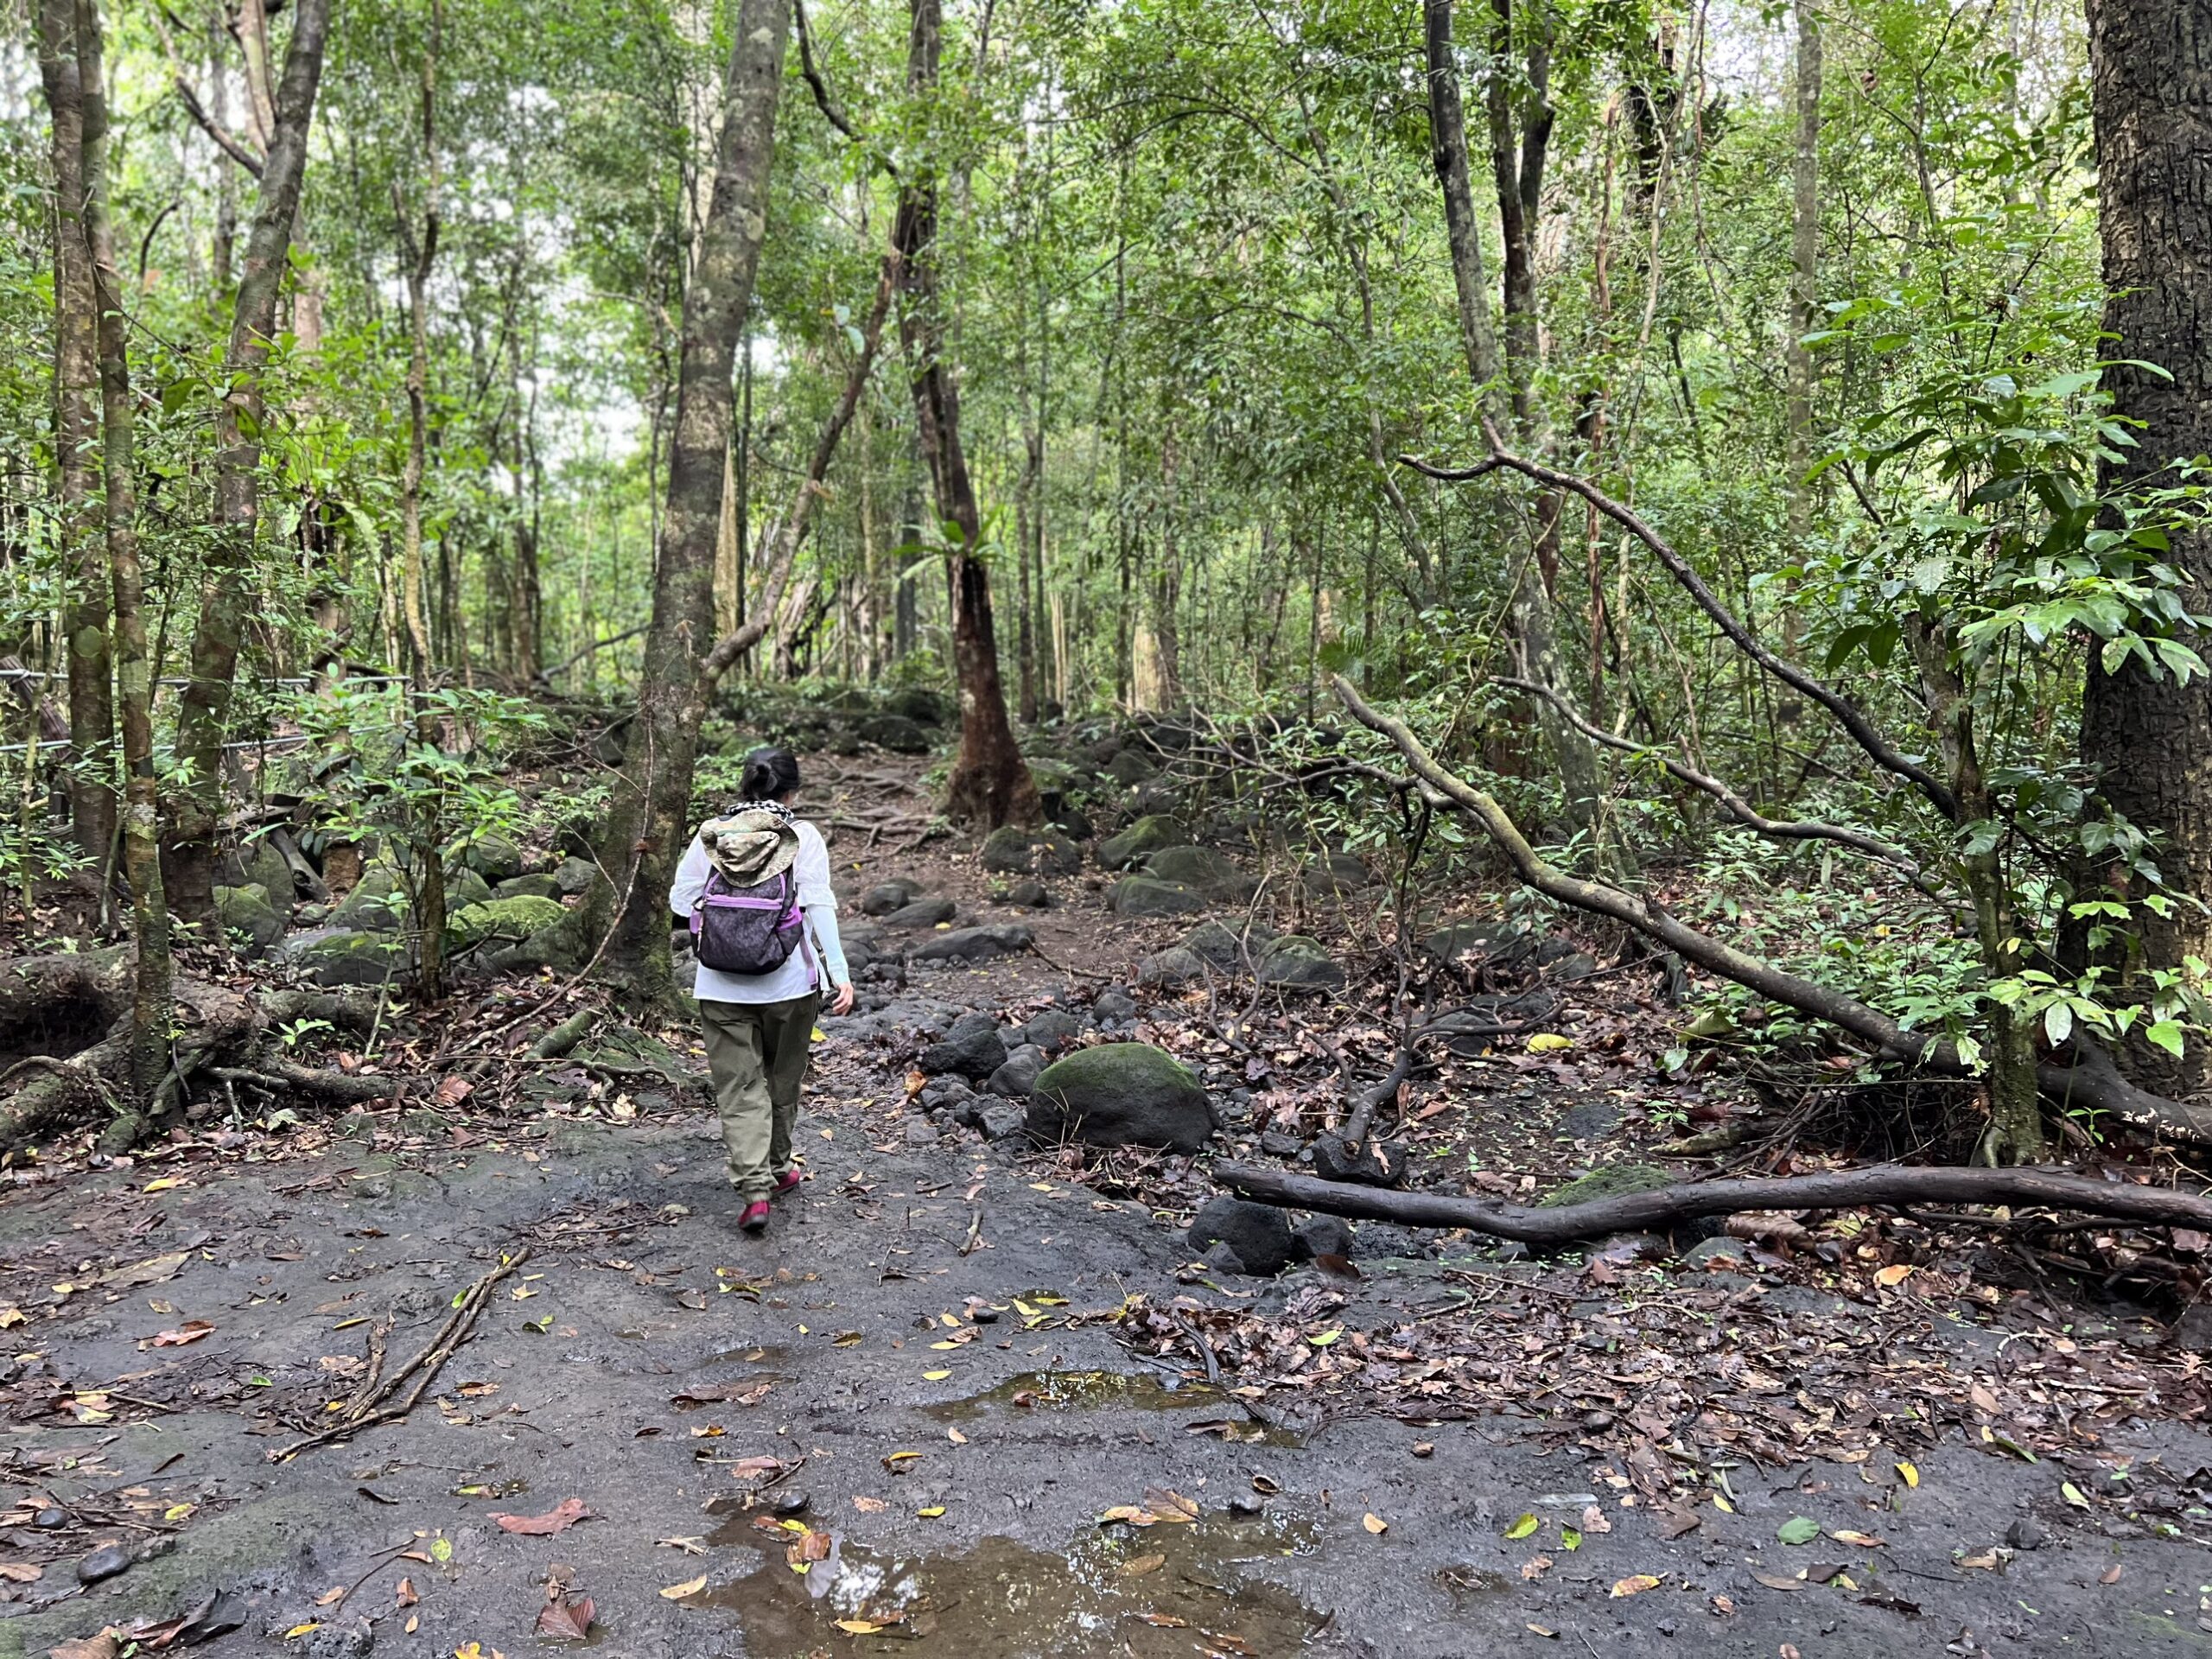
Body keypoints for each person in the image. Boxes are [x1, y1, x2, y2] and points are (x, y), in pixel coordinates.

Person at [670, 747, 855, 1235]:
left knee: (740, 1088)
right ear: (793, 791)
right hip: (790, 984)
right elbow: (818, 903)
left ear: (745, 783)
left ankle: (755, 1194)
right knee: (782, 1079)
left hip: (719, 984)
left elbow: (680, 902)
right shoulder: (801, 835)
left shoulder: (711, 833)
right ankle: (777, 1168)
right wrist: (839, 972)